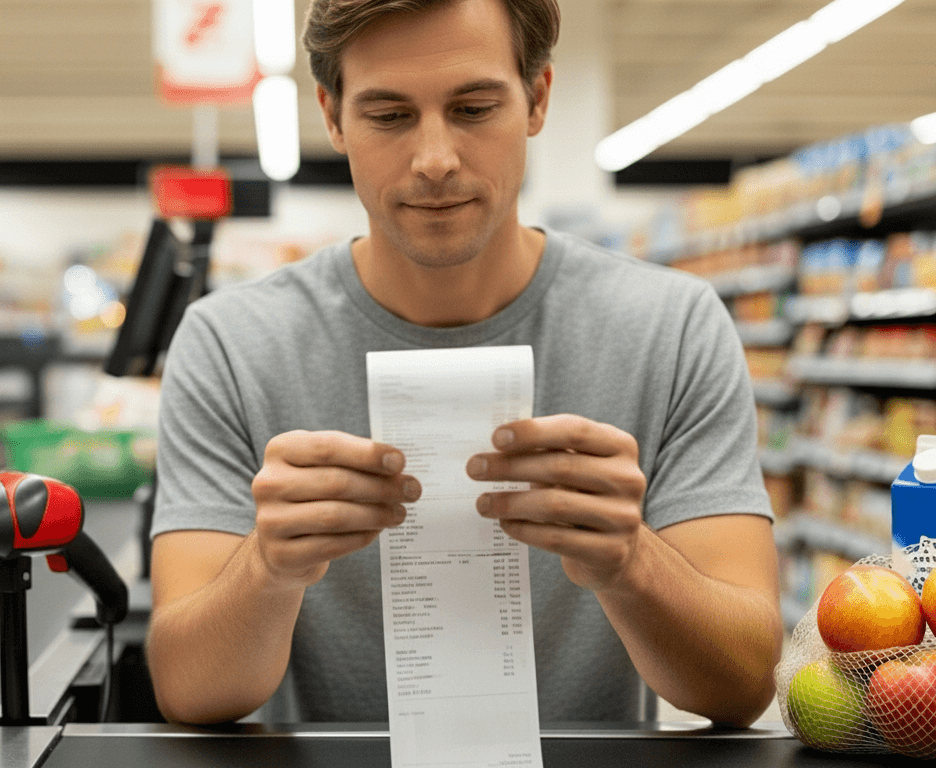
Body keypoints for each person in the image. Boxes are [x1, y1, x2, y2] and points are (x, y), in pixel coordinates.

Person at [145, 0, 781, 729]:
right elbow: (190, 693)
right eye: (388, 116)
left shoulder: (671, 329)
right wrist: (268, 568)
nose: (436, 160)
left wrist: (631, 560)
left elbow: (742, 685)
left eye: (474, 108)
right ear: (332, 116)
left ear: (537, 98)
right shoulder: (231, 344)